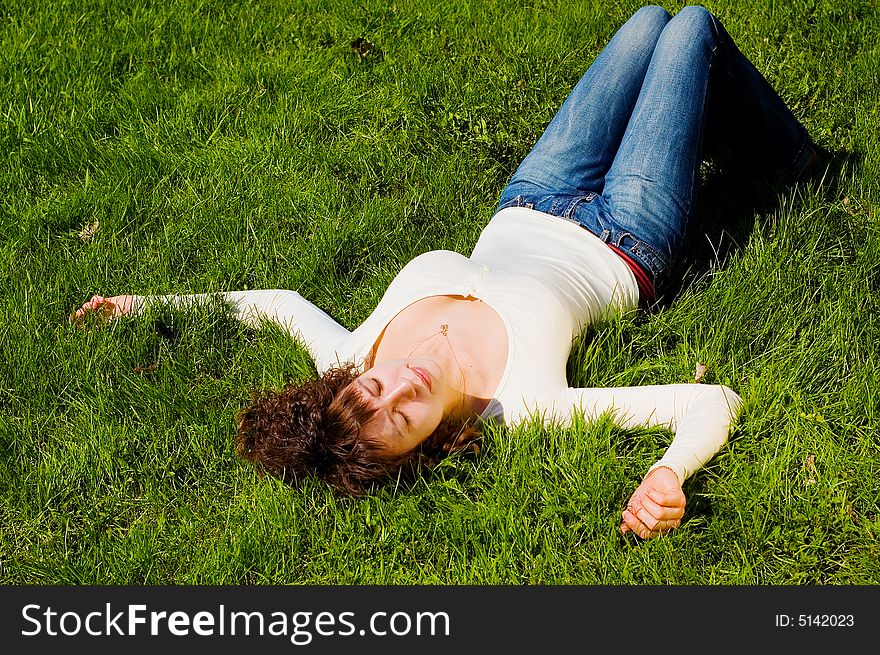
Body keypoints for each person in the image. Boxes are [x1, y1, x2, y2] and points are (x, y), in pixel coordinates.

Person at [71, 5, 816, 539]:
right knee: (690, 29)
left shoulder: (352, 352)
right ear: (426, 445)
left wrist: (138, 303)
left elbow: (276, 301)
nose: (399, 388)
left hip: (533, 194)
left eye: (372, 391)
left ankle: (710, 122)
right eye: (400, 419)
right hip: (628, 234)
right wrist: (667, 473)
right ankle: (795, 162)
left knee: (648, 20)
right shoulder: (522, 405)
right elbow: (712, 397)